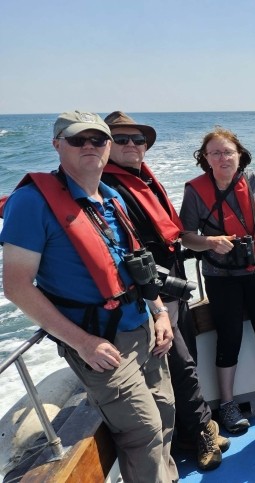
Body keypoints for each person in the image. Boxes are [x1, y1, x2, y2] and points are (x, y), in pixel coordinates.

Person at [0, 111, 177, 482]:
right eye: (78, 139)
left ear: (107, 147)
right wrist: (82, 343)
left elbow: (135, 266)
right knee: (142, 433)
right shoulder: (31, 203)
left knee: (164, 415)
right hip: (102, 343)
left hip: (144, 328)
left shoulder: (112, 198)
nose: (90, 147)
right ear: (57, 145)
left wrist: (159, 311)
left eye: (97, 140)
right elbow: (16, 286)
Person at [102, 111, 230, 470]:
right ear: (107, 145)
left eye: (137, 139)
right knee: (179, 362)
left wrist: (205, 243)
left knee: (183, 361)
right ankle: (200, 430)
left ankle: (196, 429)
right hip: (146, 295)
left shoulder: (140, 180)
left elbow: (169, 233)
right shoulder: (103, 188)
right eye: (121, 139)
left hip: (171, 284)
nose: (131, 145)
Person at [180, 127, 255, 432]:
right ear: (205, 159)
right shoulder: (194, 191)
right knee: (228, 336)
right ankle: (228, 406)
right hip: (221, 276)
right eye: (215, 153)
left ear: (239, 155)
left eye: (228, 152)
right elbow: (186, 237)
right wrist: (210, 242)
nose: (222, 158)